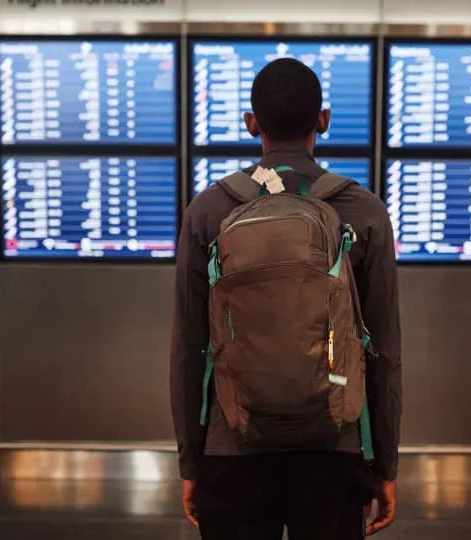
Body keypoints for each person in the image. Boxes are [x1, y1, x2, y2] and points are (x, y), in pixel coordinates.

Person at [170, 57, 402, 539]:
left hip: (232, 446)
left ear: (251, 123)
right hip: (333, 448)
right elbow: (383, 351)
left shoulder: (208, 211)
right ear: (324, 120)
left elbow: (189, 349)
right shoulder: (364, 212)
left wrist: (191, 460)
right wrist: (384, 464)